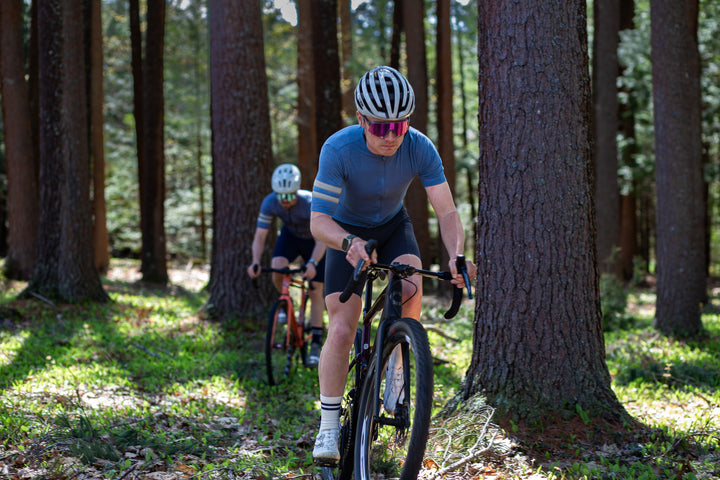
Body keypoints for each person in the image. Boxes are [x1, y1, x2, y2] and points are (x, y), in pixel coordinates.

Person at [309, 66, 476, 463]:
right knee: (343, 326)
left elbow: (448, 212)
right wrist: (347, 242)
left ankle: (398, 364)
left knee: (410, 286)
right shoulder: (338, 148)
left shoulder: (419, 146)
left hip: (392, 226)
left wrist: (455, 254)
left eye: (399, 127)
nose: (390, 137)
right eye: (380, 128)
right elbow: (318, 221)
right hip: (344, 231)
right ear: (361, 120)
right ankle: (328, 427)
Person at [247, 163, 327, 367]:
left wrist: (312, 263)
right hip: (291, 237)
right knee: (277, 266)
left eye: (290, 196)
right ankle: (285, 304)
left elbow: (323, 238)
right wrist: (255, 261)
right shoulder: (269, 202)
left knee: (316, 289)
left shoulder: (309, 201)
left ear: (297, 191)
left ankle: (316, 342)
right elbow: (260, 236)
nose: (285, 201)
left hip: (315, 240)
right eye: (281, 196)